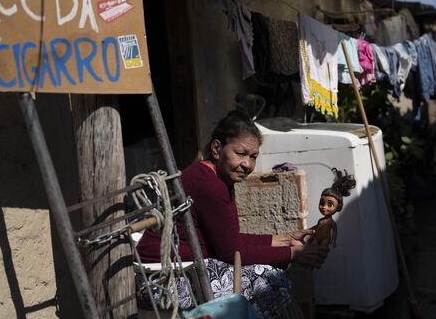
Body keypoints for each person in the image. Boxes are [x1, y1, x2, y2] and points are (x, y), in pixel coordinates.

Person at [136, 110, 329, 318]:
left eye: (253, 157)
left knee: (268, 275)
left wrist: (284, 239)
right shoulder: (209, 185)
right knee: (268, 280)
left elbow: (229, 241)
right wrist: (294, 254)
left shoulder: (218, 178)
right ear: (217, 149)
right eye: (241, 153)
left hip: (186, 268)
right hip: (165, 279)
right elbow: (232, 252)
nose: (247, 164)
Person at [306, 168, 356, 248]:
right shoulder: (320, 220)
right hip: (316, 238)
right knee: (312, 249)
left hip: (326, 239)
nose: (324, 207)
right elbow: (315, 228)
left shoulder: (331, 223)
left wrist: (333, 241)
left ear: (338, 207)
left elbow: (334, 232)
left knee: (322, 250)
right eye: (322, 203)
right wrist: (307, 231)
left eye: (330, 204)